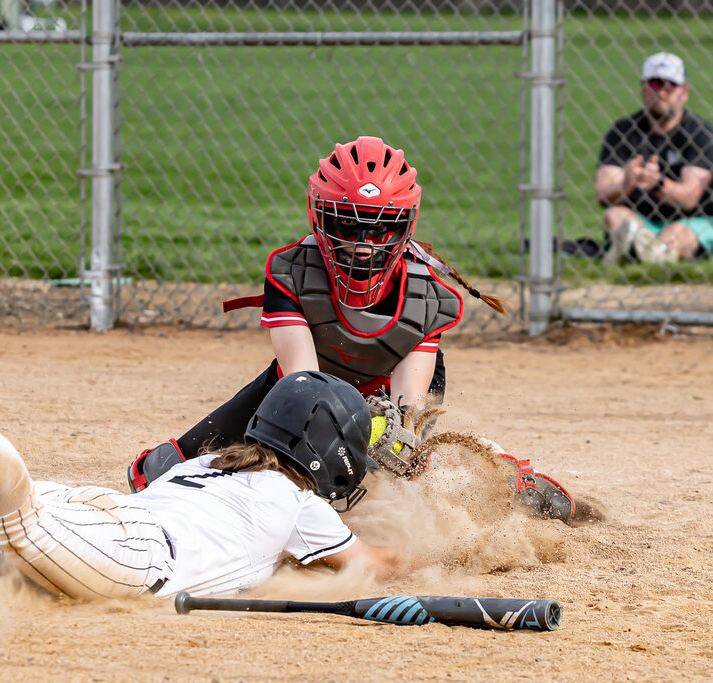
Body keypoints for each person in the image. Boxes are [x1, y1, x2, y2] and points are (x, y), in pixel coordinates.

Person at [126, 136, 577, 522]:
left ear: (405, 228)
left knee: (404, 459)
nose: (362, 244)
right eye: (347, 224)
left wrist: (390, 435)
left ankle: (505, 475)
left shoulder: (425, 295)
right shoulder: (293, 271)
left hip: (385, 390)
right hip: (304, 383)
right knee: (157, 470)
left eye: (380, 230)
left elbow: (406, 408)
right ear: (319, 215)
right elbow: (301, 383)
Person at [0, 302, 420, 600]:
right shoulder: (300, 507)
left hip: (96, 517)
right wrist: (457, 550)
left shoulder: (207, 462)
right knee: (16, 525)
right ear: (326, 451)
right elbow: (379, 565)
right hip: (136, 556)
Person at [597, 52, 713, 267]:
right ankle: (642, 248)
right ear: (643, 90)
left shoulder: (700, 134)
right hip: (644, 221)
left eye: (670, 86)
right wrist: (626, 184)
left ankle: (645, 252)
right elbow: (603, 194)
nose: (661, 92)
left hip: (692, 220)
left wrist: (658, 183)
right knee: (615, 215)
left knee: (676, 232)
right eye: (654, 84)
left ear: (684, 92)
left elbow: (689, 198)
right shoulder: (623, 131)